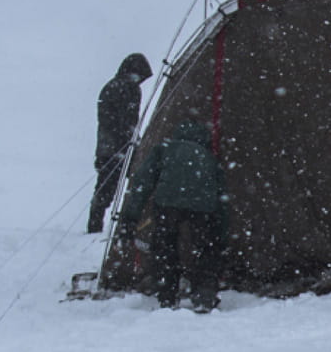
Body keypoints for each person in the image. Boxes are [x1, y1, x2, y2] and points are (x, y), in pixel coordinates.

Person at [118, 118, 228, 311]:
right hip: (203, 206)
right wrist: (222, 231)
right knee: (206, 248)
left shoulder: (164, 149)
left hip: (167, 203)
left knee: (165, 246)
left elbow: (142, 184)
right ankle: (204, 293)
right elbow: (221, 196)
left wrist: (129, 219)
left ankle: (167, 294)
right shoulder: (208, 157)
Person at [89, 53, 154, 233]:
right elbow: (126, 121)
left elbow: (114, 120)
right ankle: (128, 227)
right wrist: (131, 141)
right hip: (118, 148)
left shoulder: (112, 86)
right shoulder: (126, 88)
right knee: (130, 187)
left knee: (104, 189)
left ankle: (95, 226)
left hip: (108, 148)